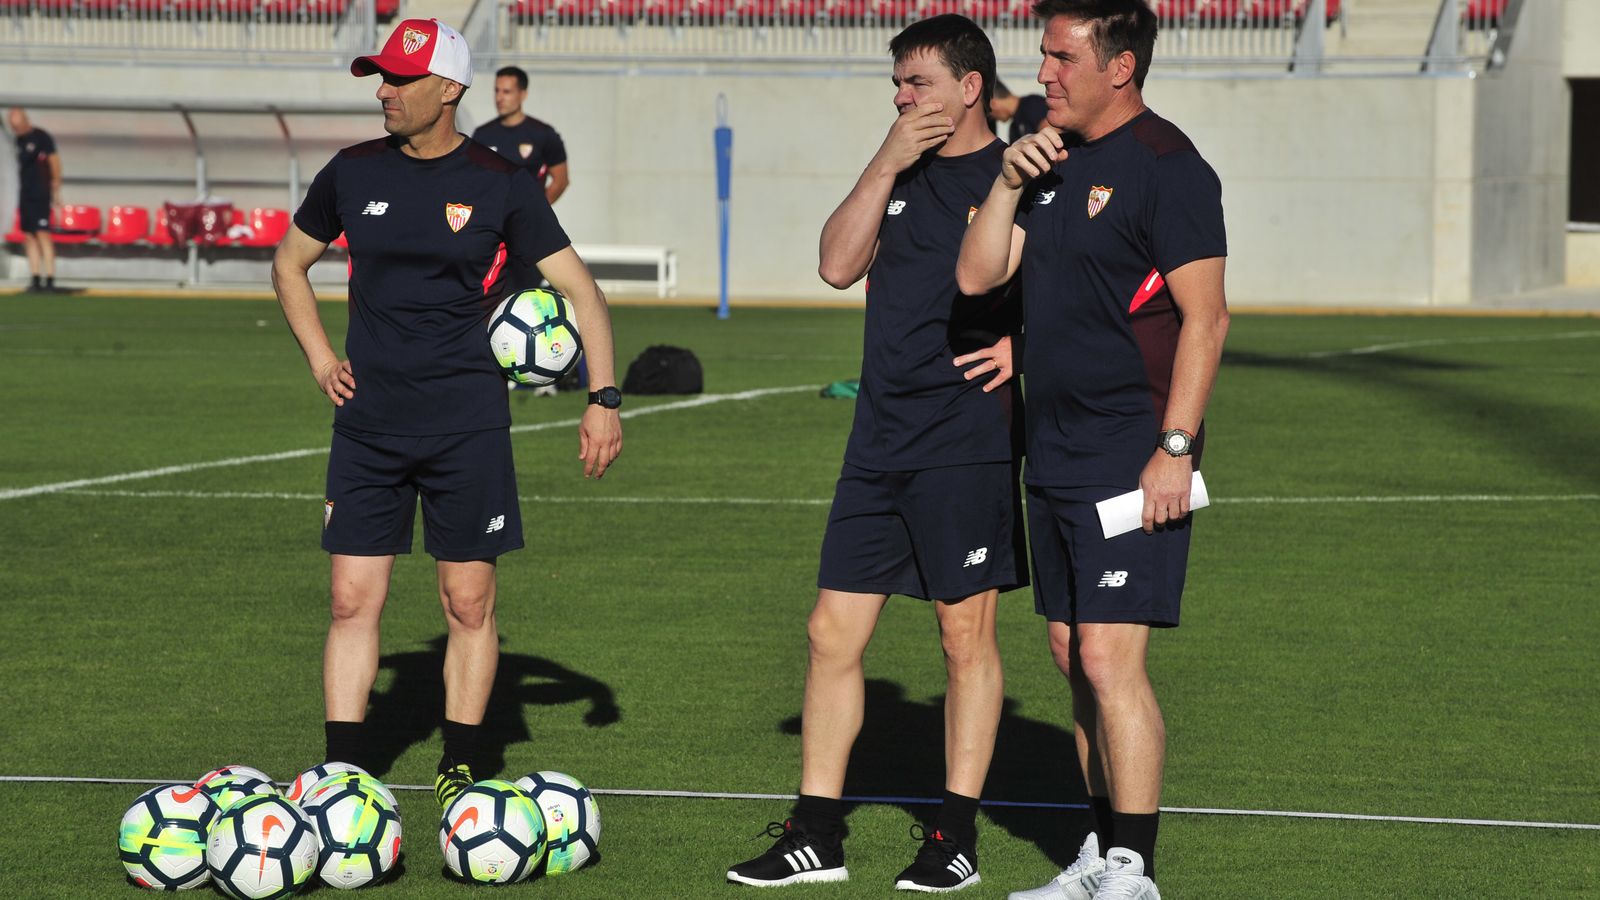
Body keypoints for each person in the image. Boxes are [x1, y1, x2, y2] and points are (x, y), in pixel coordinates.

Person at [270, 17, 624, 813]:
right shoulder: (351, 171)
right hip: (368, 426)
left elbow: (583, 292)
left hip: (467, 427)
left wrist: (603, 400)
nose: (384, 91)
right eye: (382, 76)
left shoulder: (502, 182)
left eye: (401, 78)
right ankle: (342, 771)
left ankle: (461, 763)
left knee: (468, 603)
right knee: (350, 601)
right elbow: (290, 264)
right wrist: (322, 361)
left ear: (449, 89)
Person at [726, 14, 1025, 894]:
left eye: (917, 83)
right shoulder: (898, 171)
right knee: (831, 632)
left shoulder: (1019, 175)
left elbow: (1088, 290)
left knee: (963, 635)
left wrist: (1027, 347)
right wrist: (885, 161)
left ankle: (954, 836)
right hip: (879, 440)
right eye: (895, 85)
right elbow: (835, 265)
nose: (902, 98)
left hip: (964, 440)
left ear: (969, 87)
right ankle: (816, 834)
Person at [956, 1, 1229, 898]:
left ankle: (1134, 872)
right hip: (1053, 448)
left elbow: (1206, 318)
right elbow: (979, 276)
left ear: (1120, 67)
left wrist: (1175, 449)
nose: (1043, 74)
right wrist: (1006, 181)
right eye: (1043, 55)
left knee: (1110, 658)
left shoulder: (1169, 168)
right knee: (1073, 654)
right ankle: (1100, 853)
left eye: (1062, 58)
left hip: (1132, 449)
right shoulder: (1047, 156)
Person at [471, 66, 570, 205]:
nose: (499, 98)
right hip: (492, 215)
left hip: (528, 217)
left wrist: (538, 209)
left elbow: (561, 181)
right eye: (497, 91)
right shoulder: (482, 135)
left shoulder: (543, 134)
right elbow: (473, 179)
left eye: (507, 92)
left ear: (523, 94)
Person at [9, 108, 61, 293]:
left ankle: (50, 279)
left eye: (18, 125)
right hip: (25, 194)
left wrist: (56, 187)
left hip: (41, 193)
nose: (16, 130)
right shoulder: (18, 140)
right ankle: (35, 278)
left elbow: (54, 161)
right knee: (29, 235)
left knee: (42, 233)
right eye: (13, 127)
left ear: (25, 121)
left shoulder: (41, 137)